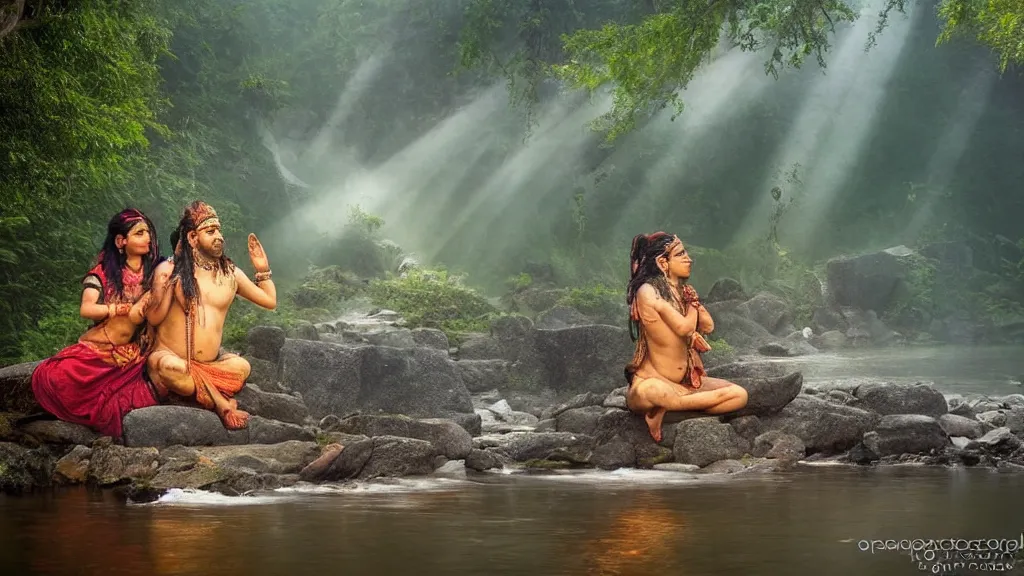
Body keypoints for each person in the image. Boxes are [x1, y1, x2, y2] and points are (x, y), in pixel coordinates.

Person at [30, 208, 164, 438]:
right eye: (140, 233)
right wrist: (114, 309)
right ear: (121, 241)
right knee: (55, 377)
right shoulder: (102, 273)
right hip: (98, 347)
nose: (148, 238)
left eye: (148, 233)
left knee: (140, 395)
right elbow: (87, 309)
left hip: (132, 351)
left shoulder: (155, 271)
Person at [145, 201, 276, 430]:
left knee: (242, 367)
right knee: (170, 368)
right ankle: (219, 400)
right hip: (171, 359)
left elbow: (269, 301)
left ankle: (199, 386)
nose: (220, 237)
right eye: (211, 231)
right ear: (193, 238)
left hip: (210, 363)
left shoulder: (230, 273)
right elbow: (153, 319)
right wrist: (168, 281)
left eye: (219, 230)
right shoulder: (171, 269)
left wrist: (262, 269)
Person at [624, 232, 748, 442]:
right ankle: (680, 406)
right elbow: (684, 328)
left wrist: (694, 302)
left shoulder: (681, 291)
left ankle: (672, 412)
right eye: (681, 254)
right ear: (663, 262)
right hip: (653, 382)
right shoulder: (647, 291)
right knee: (653, 391)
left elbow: (708, 326)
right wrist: (692, 305)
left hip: (685, 385)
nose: (689, 259)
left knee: (740, 395)